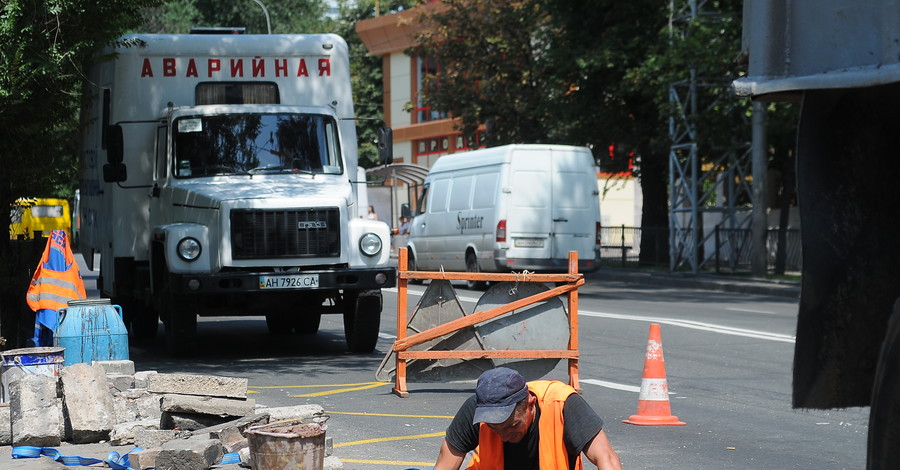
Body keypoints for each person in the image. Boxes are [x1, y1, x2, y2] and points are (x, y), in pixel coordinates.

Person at [433, 367, 622, 470]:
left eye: (511, 426)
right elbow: (444, 465)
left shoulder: (561, 403)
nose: (504, 436)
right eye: (494, 428)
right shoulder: (475, 408)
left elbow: (606, 458)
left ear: (530, 404)